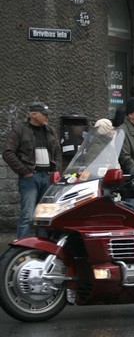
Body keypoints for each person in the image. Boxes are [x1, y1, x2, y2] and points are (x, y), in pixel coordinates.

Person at [2, 102, 62, 238]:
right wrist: (24, 171)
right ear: (33, 115)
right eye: (44, 114)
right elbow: (8, 152)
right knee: (27, 216)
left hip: (47, 177)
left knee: (43, 216)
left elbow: (57, 151)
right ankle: (20, 248)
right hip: (30, 178)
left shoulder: (50, 130)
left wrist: (56, 170)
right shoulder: (20, 130)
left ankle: (42, 248)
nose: (47, 117)